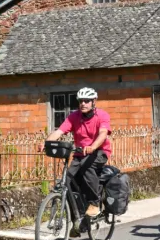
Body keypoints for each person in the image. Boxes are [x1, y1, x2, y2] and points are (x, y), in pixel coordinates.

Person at [43, 87, 112, 220]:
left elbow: (103, 134)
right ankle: (76, 217)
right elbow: (59, 131)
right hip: (80, 153)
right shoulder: (74, 116)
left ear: (94, 102)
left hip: (99, 151)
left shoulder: (102, 115)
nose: (83, 104)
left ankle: (94, 203)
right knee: (67, 181)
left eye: (87, 101)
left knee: (87, 167)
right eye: (81, 101)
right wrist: (46, 143)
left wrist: (93, 146)